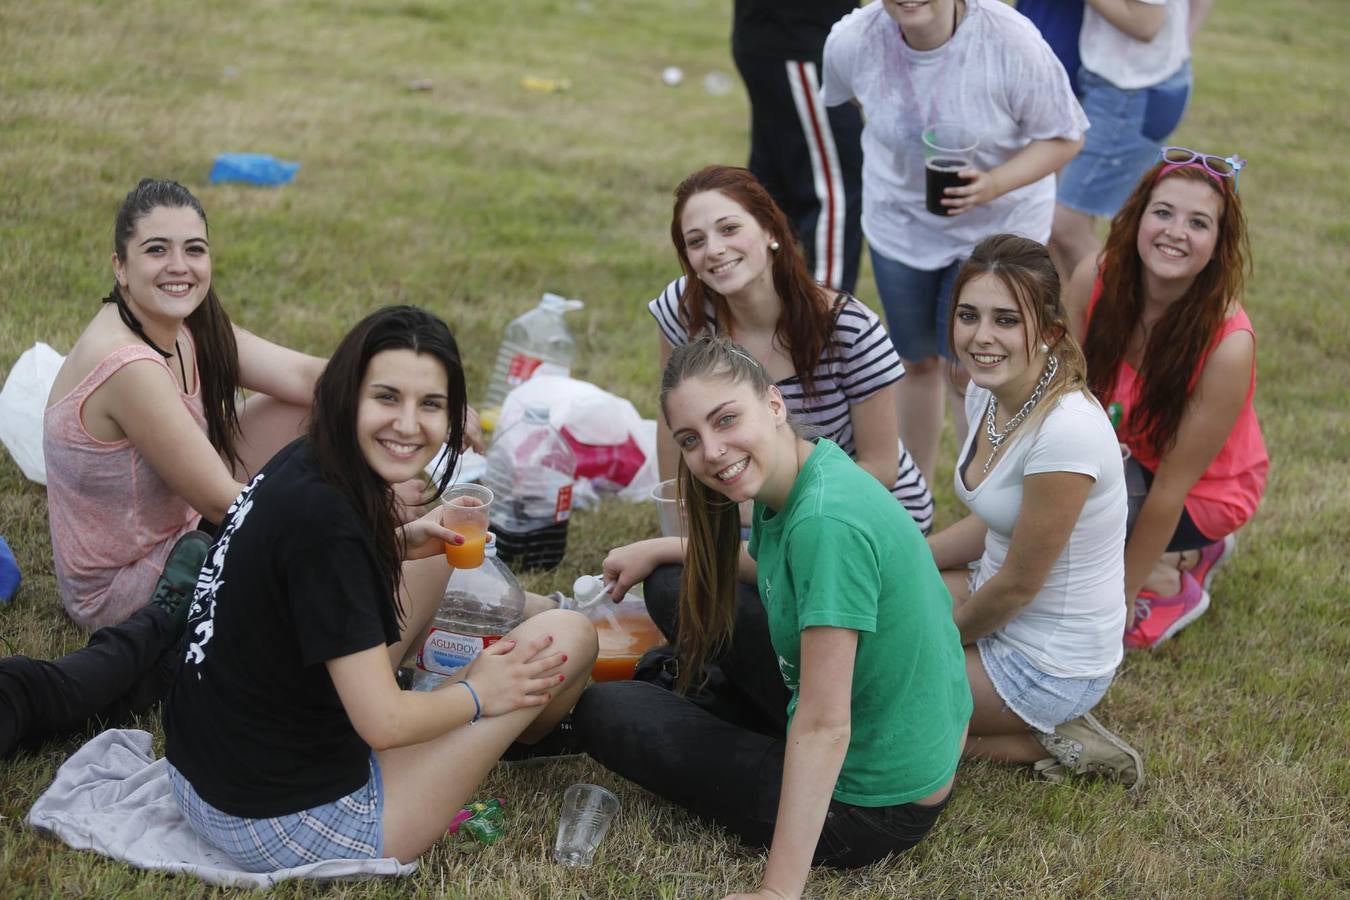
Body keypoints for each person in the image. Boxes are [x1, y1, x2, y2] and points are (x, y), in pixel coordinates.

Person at [163, 306, 598, 871]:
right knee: (568, 636)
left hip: (203, 769)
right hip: (283, 820)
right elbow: (383, 724)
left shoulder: (306, 458)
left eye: (431, 405)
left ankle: (495, 711)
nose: (408, 424)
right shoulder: (330, 533)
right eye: (387, 397)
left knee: (441, 551)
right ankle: (517, 730)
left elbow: (288, 575)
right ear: (348, 392)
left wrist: (398, 540)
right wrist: (479, 693)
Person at [571, 335, 971, 898]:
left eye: (726, 419)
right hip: (909, 736)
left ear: (774, 403)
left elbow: (825, 725)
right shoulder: (806, 470)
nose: (711, 451)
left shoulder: (825, 524)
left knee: (607, 709)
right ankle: (725, 705)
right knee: (673, 585)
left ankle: (722, 713)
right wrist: (660, 548)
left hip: (872, 803)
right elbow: (782, 574)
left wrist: (777, 892)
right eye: (691, 438)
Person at [822, 0, 1088, 488]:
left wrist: (992, 184)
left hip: (997, 229)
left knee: (973, 370)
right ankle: (913, 495)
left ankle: (985, 496)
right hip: (899, 226)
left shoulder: (1010, 40)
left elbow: (1065, 137)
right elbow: (855, 100)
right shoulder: (853, 41)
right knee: (916, 361)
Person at [43, 178, 326, 630]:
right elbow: (223, 503)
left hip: (185, 530)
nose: (179, 266)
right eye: (157, 250)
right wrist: (344, 530)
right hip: (134, 589)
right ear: (120, 266)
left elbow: (301, 376)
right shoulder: (126, 364)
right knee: (326, 534)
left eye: (194, 250)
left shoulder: (184, 323)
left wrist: (420, 401)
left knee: (321, 414)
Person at [927, 234, 1142, 787]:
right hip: (989, 591)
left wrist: (934, 644)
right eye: (969, 315)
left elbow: (1020, 585)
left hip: (1050, 658)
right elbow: (992, 522)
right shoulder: (987, 389)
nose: (981, 337)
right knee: (879, 608)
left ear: (1048, 331)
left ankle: (1048, 738)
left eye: (1006, 320)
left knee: (881, 694)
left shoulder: (1066, 430)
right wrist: (910, 559)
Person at [650, 165, 934, 533]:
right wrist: (682, 521)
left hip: (855, 508)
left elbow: (880, 468)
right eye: (696, 241)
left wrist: (759, 512)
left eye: (729, 229)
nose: (715, 250)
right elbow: (674, 416)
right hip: (748, 503)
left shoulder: (848, 329)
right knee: (671, 585)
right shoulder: (685, 310)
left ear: (769, 229)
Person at [1066, 149, 1265, 650]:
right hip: (1127, 450)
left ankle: (1172, 581)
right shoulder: (1096, 277)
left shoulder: (1227, 344)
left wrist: (1119, 601)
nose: (1175, 231)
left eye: (1198, 222)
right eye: (1163, 212)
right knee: (1056, 497)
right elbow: (1058, 396)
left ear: (1218, 245)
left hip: (1203, 489)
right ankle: (1173, 553)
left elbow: (1173, 486)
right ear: (1137, 217)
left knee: (1079, 522)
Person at [1048, 0, 1215, 283]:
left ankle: (1124, 317)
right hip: (1132, 82)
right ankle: (1078, 320)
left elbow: (1145, 23)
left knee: (1065, 226)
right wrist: (1180, 44)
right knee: (1061, 220)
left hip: (1129, 92)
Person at [731, 0, 863, 293]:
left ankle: (762, 310)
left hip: (779, 37)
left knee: (772, 189)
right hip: (797, 42)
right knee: (834, 192)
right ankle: (826, 322)